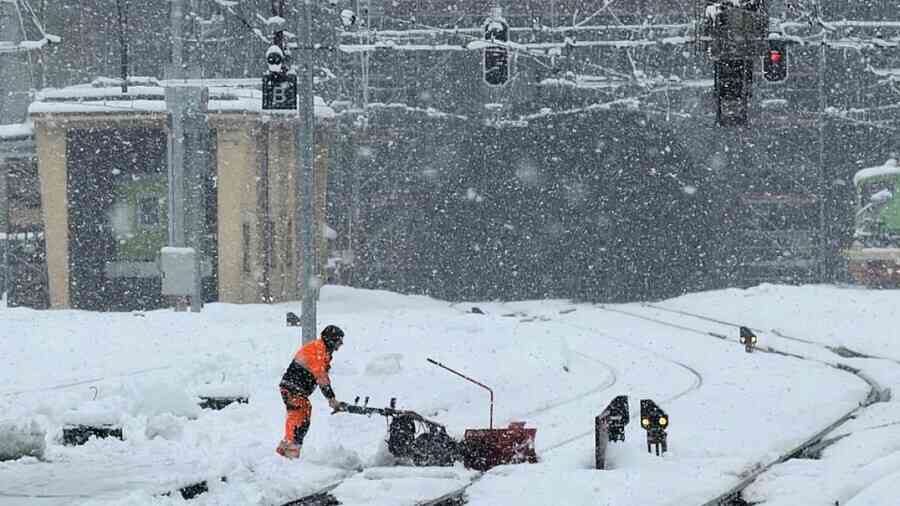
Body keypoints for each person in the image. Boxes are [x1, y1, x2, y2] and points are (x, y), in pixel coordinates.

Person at [276, 325, 345, 459]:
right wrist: (331, 399)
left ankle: (285, 451)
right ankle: (290, 452)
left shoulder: (323, 350)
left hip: (294, 389)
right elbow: (321, 377)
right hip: (292, 388)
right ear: (331, 340)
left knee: (301, 414)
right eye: (339, 341)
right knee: (300, 416)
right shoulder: (317, 350)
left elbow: (322, 375)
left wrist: (331, 398)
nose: (341, 344)